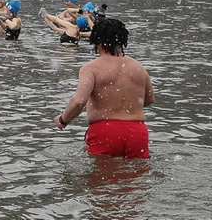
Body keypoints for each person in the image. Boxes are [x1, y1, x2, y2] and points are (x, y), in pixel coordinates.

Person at [54, 18, 155, 159]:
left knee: (101, 178)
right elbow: (149, 99)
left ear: (98, 42)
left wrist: (63, 120)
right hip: (137, 131)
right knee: (136, 178)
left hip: (105, 131)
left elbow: (79, 101)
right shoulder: (138, 67)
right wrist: (124, 105)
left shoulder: (92, 68)